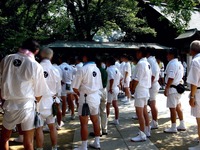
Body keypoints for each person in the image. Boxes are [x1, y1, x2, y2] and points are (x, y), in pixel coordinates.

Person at [0, 38, 48, 150]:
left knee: (4, 138)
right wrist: (37, 105)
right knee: (28, 141)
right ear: (36, 51)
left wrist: (2, 100)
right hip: (27, 106)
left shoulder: (6, 59)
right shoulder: (35, 65)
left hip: (9, 104)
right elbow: (39, 93)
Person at [72, 53, 103, 150]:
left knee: (84, 123)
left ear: (85, 57)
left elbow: (75, 87)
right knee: (96, 120)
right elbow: (100, 86)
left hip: (85, 98)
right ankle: (97, 142)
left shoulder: (82, 69)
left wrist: (80, 93)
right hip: (95, 97)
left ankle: (84, 146)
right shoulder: (97, 69)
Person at [35, 47, 61, 150]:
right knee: (52, 126)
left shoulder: (36, 67)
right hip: (51, 101)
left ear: (40, 55)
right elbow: (58, 88)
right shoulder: (55, 69)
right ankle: (54, 147)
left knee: (39, 128)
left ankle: (40, 148)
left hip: (38, 101)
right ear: (51, 56)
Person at [130, 47, 152, 142]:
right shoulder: (147, 63)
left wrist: (133, 88)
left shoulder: (141, 63)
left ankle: (142, 133)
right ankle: (147, 130)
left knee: (140, 113)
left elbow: (136, 79)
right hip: (145, 89)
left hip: (140, 89)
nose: (136, 54)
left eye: (137, 52)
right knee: (144, 111)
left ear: (140, 53)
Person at [163, 48, 186, 133]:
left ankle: (173, 126)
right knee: (178, 106)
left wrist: (166, 88)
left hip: (173, 88)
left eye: (168, 54)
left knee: (172, 108)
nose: (167, 56)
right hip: (178, 87)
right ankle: (182, 123)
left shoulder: (172, 64)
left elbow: (171, 77)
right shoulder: (180, 64)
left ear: (171, 55)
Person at [187, 40, 200, 150]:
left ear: (191, 50)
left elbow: (194, 82)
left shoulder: (196, 61)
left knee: (199, 118)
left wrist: (192, 96)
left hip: (199, 92)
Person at [90, 58, 108, 136]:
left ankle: (98, 131)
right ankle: (105, 129)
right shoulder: (104, 71)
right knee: (103, 111)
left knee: (96, 112)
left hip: (97, 91)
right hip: (104, 90)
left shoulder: (95, 71)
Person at [146, 47, 160, 129]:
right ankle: (154, 121)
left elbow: (153, 74)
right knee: (152, 103)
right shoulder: (153, 60)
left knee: (152, 103)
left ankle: (154, 122)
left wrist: (149, 84)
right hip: (153, 83)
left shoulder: (150, 60)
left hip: (152, 84)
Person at [106, 56, 122, 125]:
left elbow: (111, 79)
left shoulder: (109, 69)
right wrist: (118, 83)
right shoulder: (116, 69)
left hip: (111, 89)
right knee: (115, 104)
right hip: (116, 88)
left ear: (108, 62)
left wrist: (110, 88)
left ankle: (105, 120)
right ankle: (116, 119)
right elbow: (121, 77)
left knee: (108, 105)